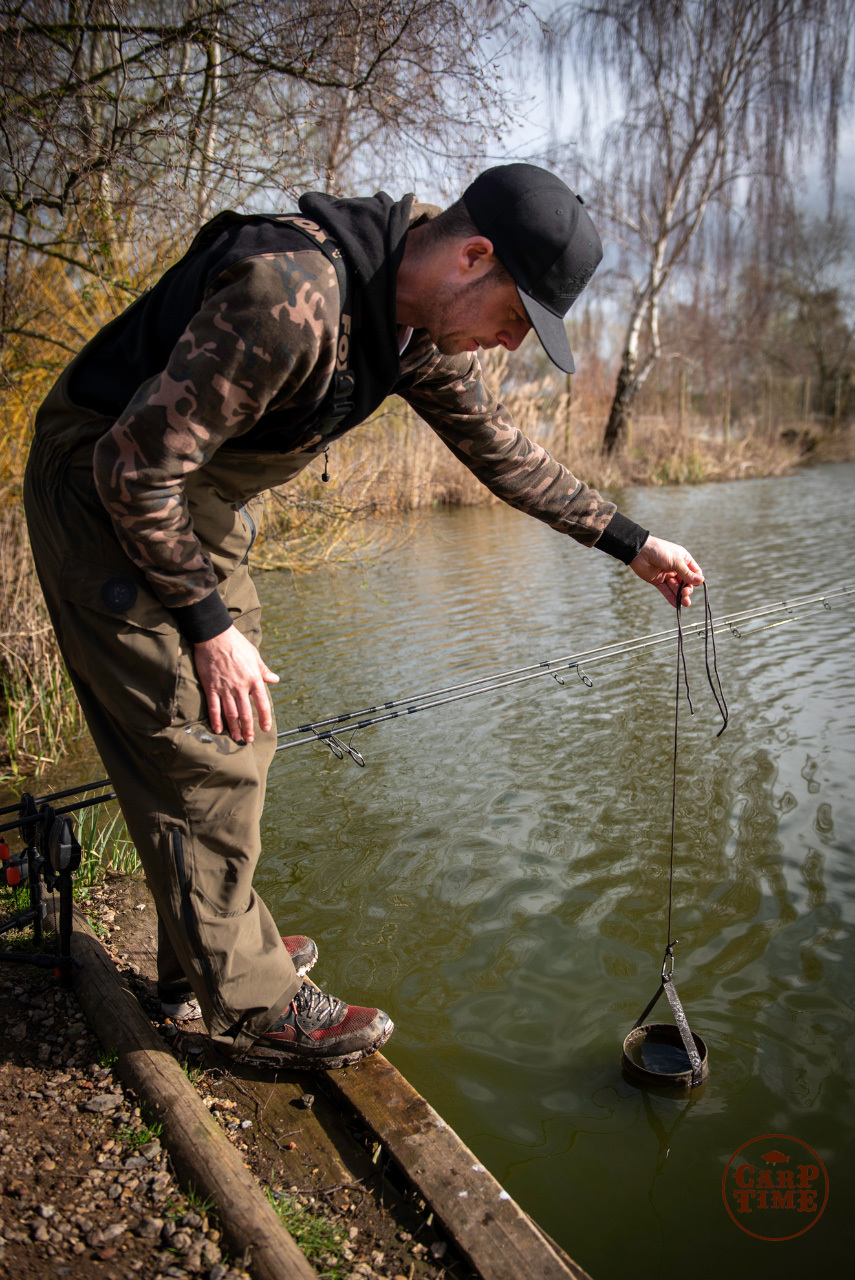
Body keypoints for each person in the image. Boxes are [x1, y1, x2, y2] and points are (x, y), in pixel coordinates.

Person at [24, 163, 704, 1069]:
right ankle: (253, 1003)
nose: (507, 344)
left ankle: (209, 948)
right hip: (108, 491)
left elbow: (498, 451)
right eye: (514, 319)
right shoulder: (289, 295)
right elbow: (132, 471)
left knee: (240, 734)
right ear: (472, 256)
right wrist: (205, 626)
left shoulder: (408, 327)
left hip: (191, 500)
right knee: (201, 741)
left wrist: (633, 542)